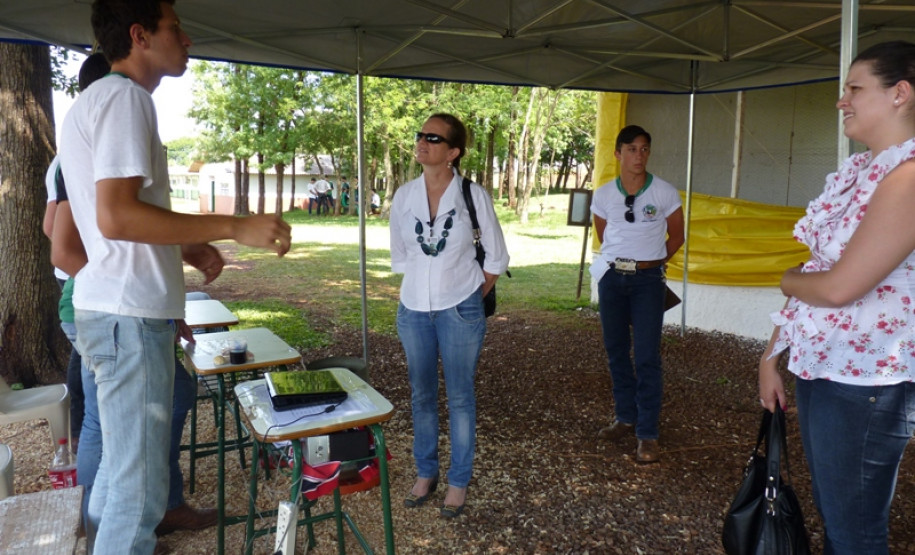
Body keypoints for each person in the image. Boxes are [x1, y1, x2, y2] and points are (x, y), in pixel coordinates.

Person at [58, 2, 291, 553]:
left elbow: (114, 218)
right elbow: (116, 216)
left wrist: (188, 247)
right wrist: (235, 223)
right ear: (139, 35)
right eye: (175, 27)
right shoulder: (124, 98)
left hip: (114, 307)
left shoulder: (93, 101)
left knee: (118, 478)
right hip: (127, 315)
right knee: (139, 499)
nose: (187, 38)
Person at [759, 41, 915, 554]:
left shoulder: (908, 177)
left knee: (854, 532)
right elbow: (820, 271)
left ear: (900, 94)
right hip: (825, 365)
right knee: (837, 519)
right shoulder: (860, 170)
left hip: (867, 379)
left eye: (853, 89)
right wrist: (772, 353)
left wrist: (786, 280)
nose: (840, 100)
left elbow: (837, 285)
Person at [389, 113, 509, 518]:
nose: (422, 142)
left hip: (460, 309)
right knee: (421, 395)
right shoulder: (404, 197)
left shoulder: (473, 196)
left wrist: (469, 299)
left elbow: (496, 258)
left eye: (433, 138)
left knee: (460, 397)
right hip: (413, 312)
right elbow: (402, 256)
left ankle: (458, 481)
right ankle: (426, 473)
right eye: (420, 134)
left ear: (453, 152)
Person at [591, 125, 684, 464]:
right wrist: (624, 261)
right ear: (617, 153)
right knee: (616, 350)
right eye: (631, 149)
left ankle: (647, 433)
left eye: (644, 149)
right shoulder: (603, 194)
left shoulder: (663, 192)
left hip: (648, 281)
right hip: (613, 278)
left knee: (646, 356)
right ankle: (624, 416)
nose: (638, 156)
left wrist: (653, 263)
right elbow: (604, 235)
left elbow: (677, 235)